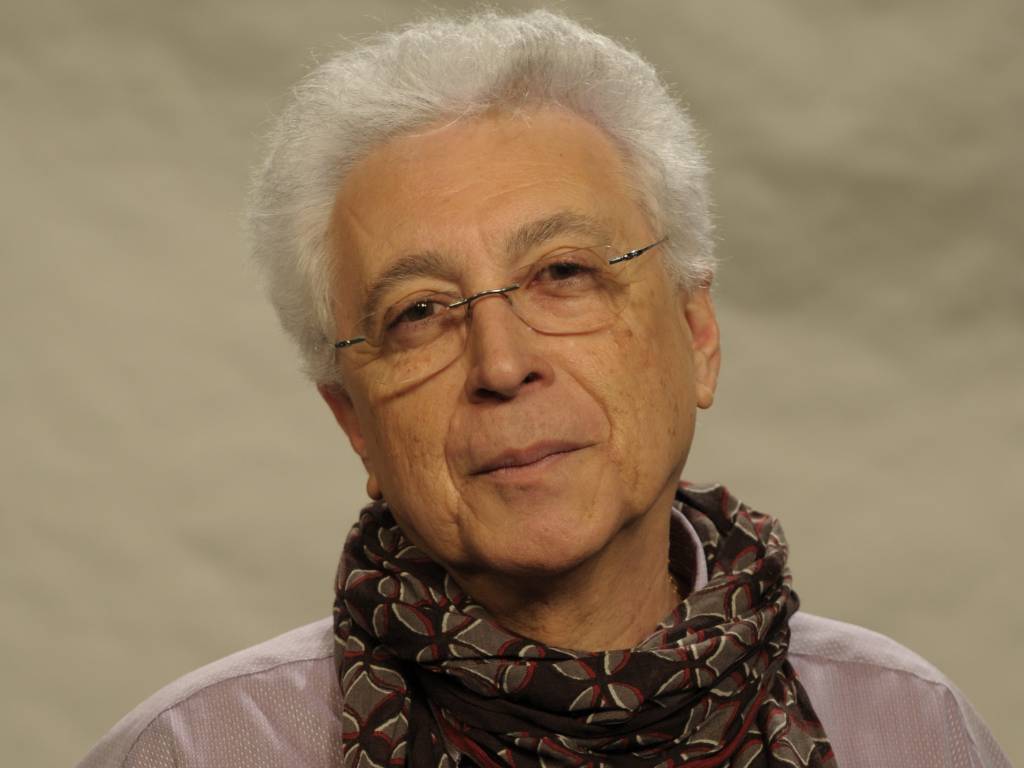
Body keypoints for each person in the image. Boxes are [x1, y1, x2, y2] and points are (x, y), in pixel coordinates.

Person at [77, 10, 1010, 768]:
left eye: (564, 273)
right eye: (419, 313)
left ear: (698, 333)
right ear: (353, 421)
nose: (500, 364)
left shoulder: (915, 732)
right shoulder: (190, 753)